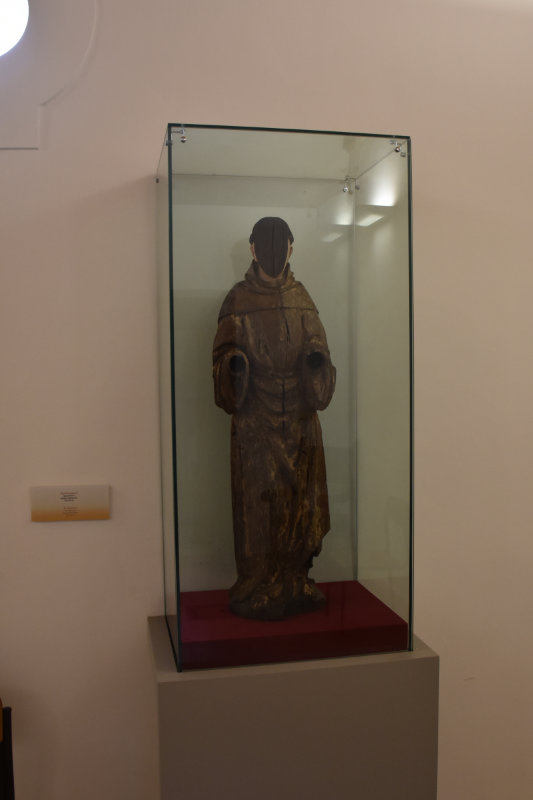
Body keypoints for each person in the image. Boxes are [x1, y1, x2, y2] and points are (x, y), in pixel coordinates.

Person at [213, 217, 336, 620]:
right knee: (259, 505)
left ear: (291, 249)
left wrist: (315, 361)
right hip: (257, 423)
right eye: (265, 246)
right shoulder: (237, 300)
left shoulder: (302, 298)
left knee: (300, 503)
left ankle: (296, 579)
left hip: (299, 422)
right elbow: (222, 360)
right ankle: (259, 583)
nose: (272, 252)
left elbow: (320, 356)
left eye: (280, 245)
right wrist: (236, 365)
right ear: (252, 250)